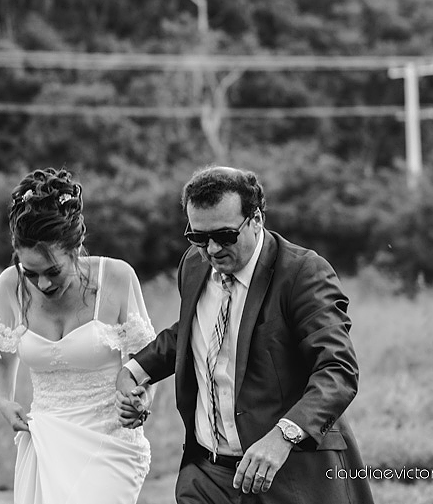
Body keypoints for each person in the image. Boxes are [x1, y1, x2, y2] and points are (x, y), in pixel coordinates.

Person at [115, 166, 373, 504]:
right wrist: (135, 371)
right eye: (198, 238)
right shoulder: (193, 266)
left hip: (286, 475)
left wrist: (283, 436)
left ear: (256, 219)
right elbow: (193, 330)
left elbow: (338, 370)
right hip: (206, 475)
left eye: (224, 236)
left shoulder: (302, 273)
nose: (211, 250)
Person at [0, 167, 156, 504]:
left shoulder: (117, 278)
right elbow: (2, 347)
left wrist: (141, 401)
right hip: (46, 438)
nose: (43, 284)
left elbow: (146, 360)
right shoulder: (10, 284)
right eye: (31, 273)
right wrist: (3, 398)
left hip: (108, 443)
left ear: (76, 248)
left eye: (53, 272)